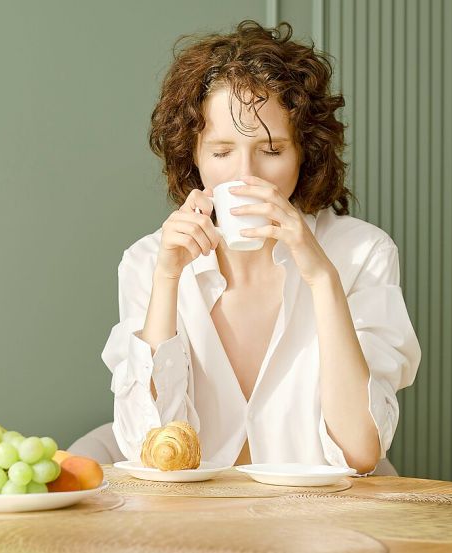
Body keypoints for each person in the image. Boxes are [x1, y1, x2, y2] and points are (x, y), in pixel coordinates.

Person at [101, 20, 420, 475]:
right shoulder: (148, 261)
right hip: (196, 531)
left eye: (270, 150)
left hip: (316, 531)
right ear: (192, 153)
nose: (244, 176)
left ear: (304, 152)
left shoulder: (361, 253)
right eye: (221, 151)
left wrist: (321, 276)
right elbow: (145, 446)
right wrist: (167, 278)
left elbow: (360, 452)